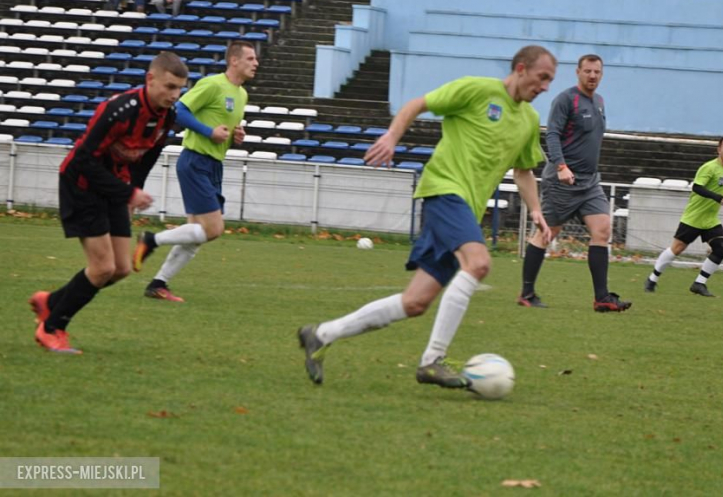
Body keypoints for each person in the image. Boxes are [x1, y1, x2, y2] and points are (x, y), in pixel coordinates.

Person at [297, 45, 557, 388]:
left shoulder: (529, 120)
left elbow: (523, 171)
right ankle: (433, 360)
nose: (545, 87)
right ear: (521, 69)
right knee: (478, 264)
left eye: (550, 81)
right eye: (542, 77)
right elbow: (417, 105)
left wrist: (536, 210)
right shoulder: (477, 90)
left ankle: (322, 334)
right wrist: (392, 136)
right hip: (444, 191)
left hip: (465, 209)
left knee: (415, 302)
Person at [28, 52, 189, 354]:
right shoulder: (117, 110)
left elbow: (148, 155)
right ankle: (52, 328)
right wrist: (128, 193)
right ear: (150, 79)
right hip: (81, 184)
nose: (174, 94)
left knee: (121, 269)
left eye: (179, 88)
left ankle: (49, 302)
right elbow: (84, 160)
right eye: (169, 86)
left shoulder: (168, 116)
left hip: (115, 188)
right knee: (102, 268)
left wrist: (133, 191)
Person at [133, 41, 257, 301]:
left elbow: (221, 125)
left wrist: (236, 134)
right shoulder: (212, 85)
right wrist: (208, 132)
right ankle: (151, 240)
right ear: (234, 61)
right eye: (250, 58)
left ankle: (158, 284)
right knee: (213, 229)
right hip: (195, 161)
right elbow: (178, 111)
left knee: (195, 235)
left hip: (213, 165)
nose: (255, 63)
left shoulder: (242, 94)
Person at [517, 54, 631, 312]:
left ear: (602, 75)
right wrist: (561, 166)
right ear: (578, 72)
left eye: (597, 72)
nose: (592, 76)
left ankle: (602, 297)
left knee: (602, 229)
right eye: (588, 71)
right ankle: (526, 292)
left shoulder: (599, 101)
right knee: (547, 234)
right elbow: (553, 134)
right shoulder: (566, 100)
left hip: (589, 183)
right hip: (562, 182)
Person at [645, 135, 723, 297]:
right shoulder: (709, 167)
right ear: (719, 149)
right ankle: (652, 279)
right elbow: (697, 187)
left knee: (721, 249)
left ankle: (699, 283)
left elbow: (719, 187)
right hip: (694, 218)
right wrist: (717, 198)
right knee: (676, 249)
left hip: (710, 220)